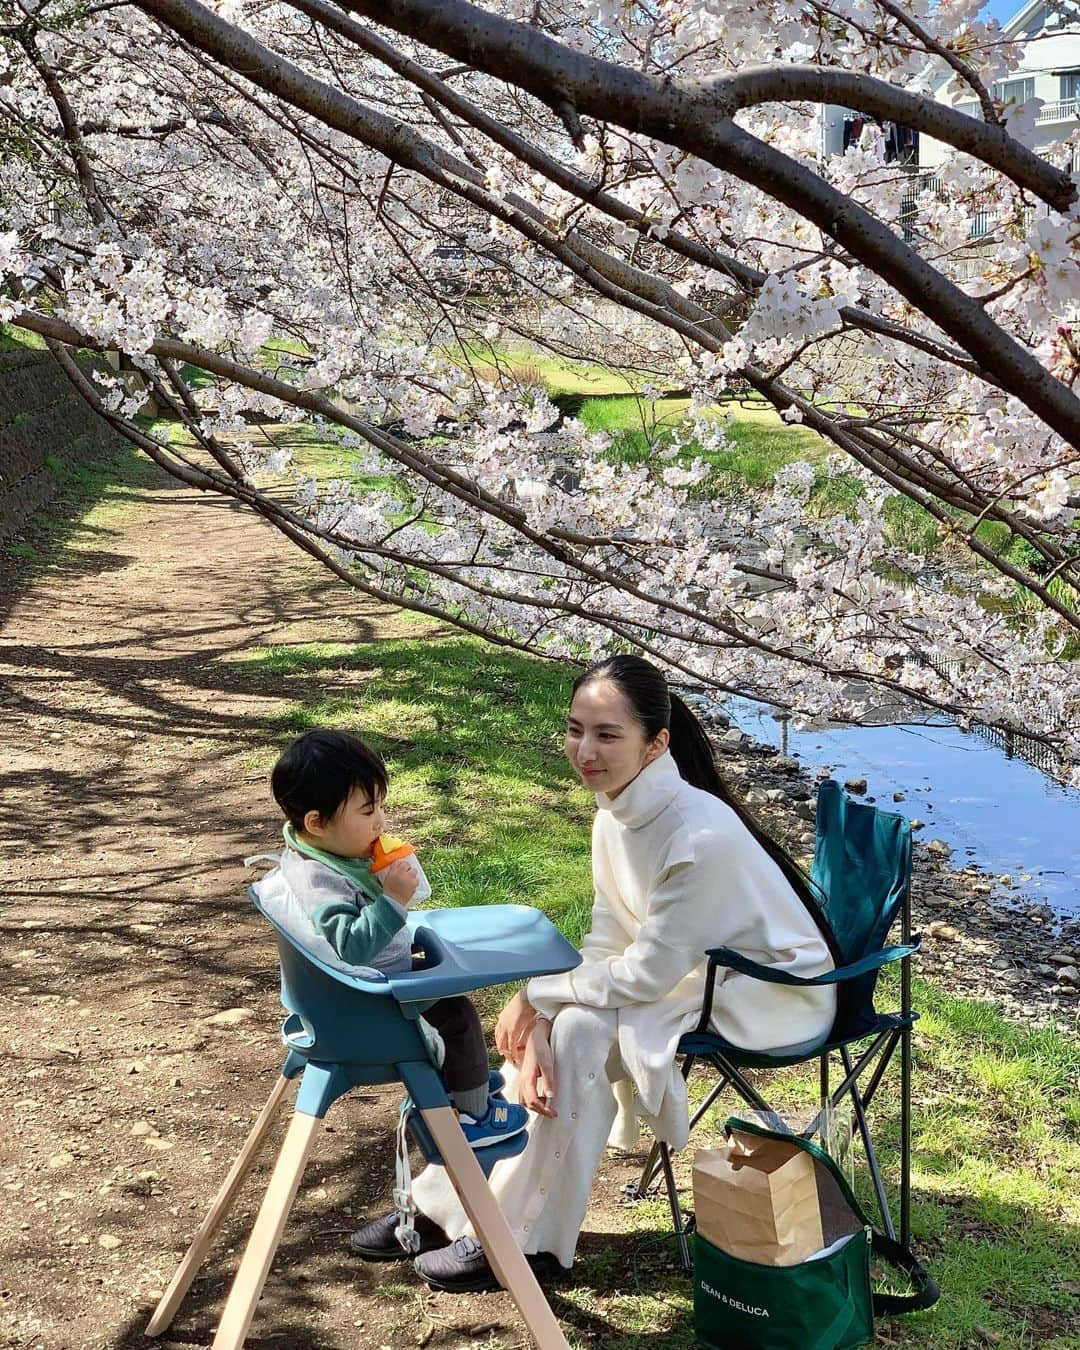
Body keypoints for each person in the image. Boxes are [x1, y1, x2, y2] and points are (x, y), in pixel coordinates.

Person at [350, 656, 838, 1291]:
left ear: (655, 743)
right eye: (576, 728)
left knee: (578, 1030)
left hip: (769, 997)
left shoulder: (697, 837)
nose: (585, 750)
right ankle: (445, 1207)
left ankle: (524, 1242)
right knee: (561, 1029)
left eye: (607, 735)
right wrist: (543, 1016)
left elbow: (641, 975)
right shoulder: (617, 809)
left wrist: (540, 995)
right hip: (697, 979)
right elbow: (610, 937)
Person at [254, 728, 528, 1160]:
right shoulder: (320, 880)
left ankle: (464, 1081)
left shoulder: (327, 854)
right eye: (368, 811)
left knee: (443, 980)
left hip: (356, 993)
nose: (381, 822)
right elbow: (352, 945)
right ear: (317, 823)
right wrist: (393, 900)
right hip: (368, 1005)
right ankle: (473, 1115)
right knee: (455, 1012)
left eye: (380, 805)